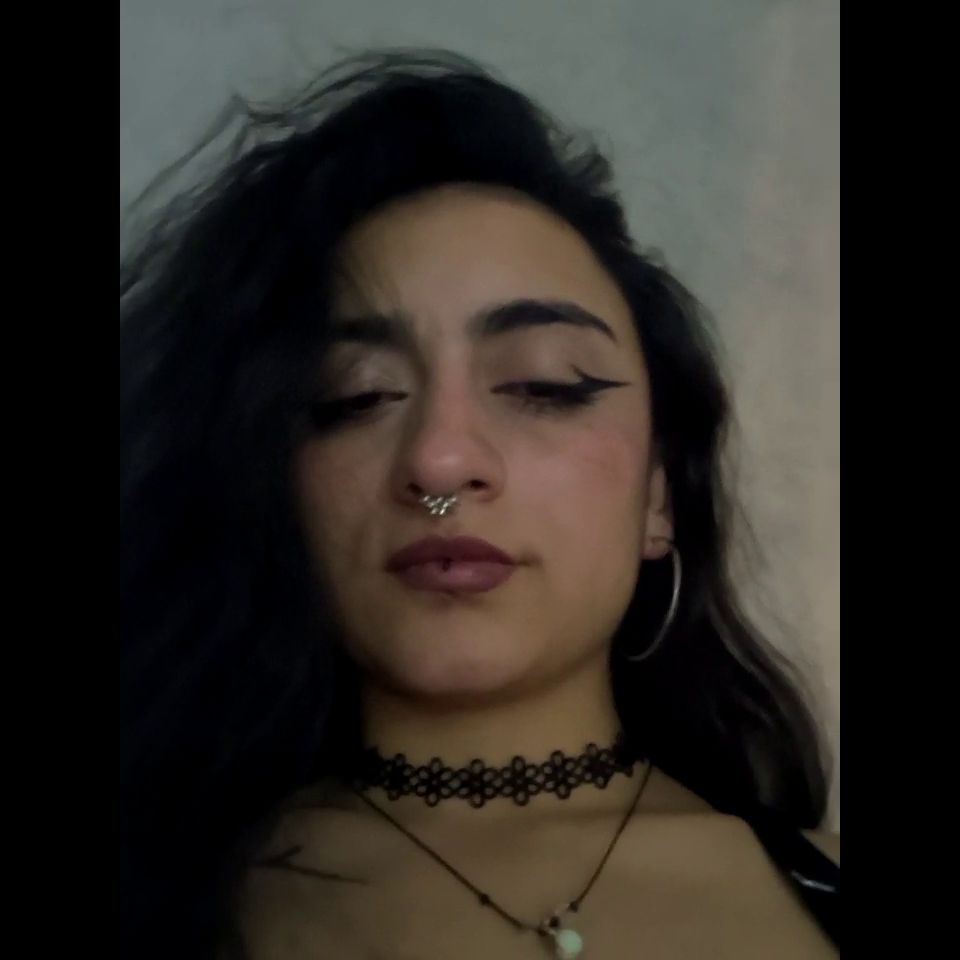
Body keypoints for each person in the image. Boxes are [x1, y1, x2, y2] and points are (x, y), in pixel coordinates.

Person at [120, 49, 839, 960]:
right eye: (355, 395)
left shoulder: (817, 888)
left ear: (659, 494)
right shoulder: (156, 891)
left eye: (544, 386)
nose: (441, 460)